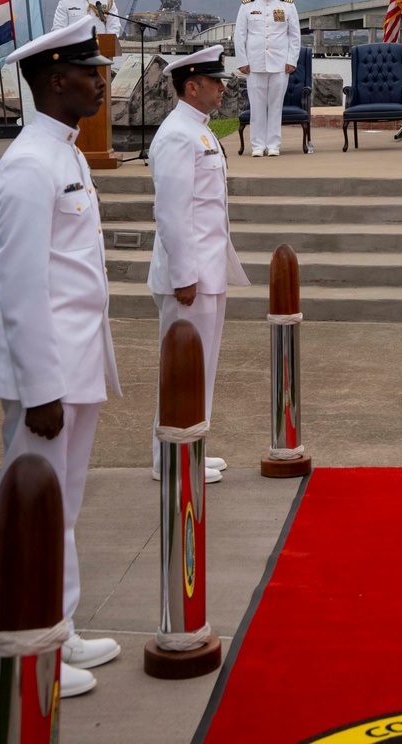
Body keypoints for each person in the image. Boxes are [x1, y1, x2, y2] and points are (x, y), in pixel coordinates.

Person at [0, 19, 121, 699]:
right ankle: (24, 646)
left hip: (76, 360)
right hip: (46, 372)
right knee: (33, 509)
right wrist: (41, 388)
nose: (102, 82)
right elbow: (20, 289)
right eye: (90, 73)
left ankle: (57, 627)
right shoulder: (28, 166)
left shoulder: (65, 153)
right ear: (54, 79)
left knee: (62, 507)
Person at [148, 46, 250, 484]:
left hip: (207, 270)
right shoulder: (178, 134)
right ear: (192, 87)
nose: (222, 88)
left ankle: (190, 446)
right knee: (181, 370)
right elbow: (172, 214)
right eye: (215, 81)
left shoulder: (199, 130)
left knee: (200, 368)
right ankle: (169, 458)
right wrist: (184, 277)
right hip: (188, 276)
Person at [234, 0, 301, 156]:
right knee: (256, 107)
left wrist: (292, 60)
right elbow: (240, 35)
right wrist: (242, 60)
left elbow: (294, 36)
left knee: (275, 106)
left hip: (280, 64)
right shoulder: (247, 6)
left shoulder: (287, 6)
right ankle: (257, 146)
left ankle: (273, 145)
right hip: (255, 64)